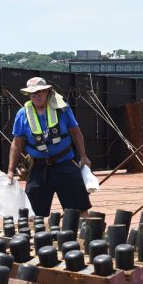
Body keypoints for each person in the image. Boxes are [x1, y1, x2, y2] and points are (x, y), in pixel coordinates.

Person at [7, 77, 92, 217]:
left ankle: (83, 231)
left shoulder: (62, 109)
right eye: (32, 93)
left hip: (65, 165)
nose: (36, 96)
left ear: (47, 91)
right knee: (32, 214)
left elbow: (75, 132)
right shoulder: (22, 114)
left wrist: (83, 156)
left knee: (79, 209)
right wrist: (10, 170)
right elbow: (17, 143)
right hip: (38, 169)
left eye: (39, 92)